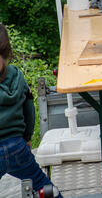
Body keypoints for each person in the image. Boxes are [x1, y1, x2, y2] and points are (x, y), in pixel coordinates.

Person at [0, 24, 63, 197]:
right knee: (42, 184)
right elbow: (29, 108)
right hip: (17, 147)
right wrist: (27, 137)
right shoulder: (17, 75)